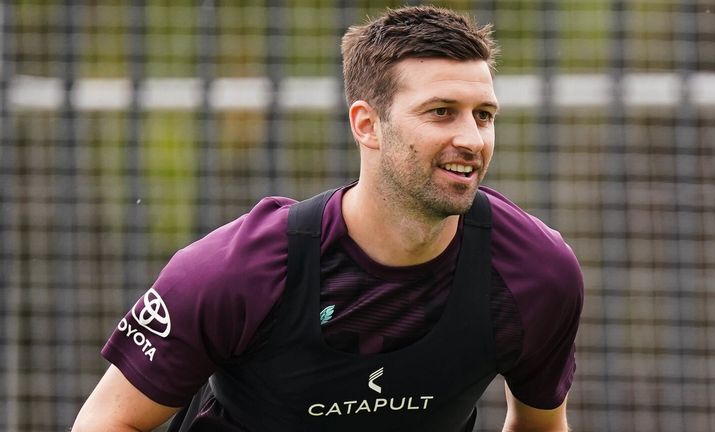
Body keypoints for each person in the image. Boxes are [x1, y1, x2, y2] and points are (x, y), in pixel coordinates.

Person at [72, 5, 583, 432]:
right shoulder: (239, 270)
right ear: (367, 125)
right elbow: (109, 421)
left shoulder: (534, 271)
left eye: (484, 115)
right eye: (441, 111)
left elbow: (540, 426)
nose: (472, 139)